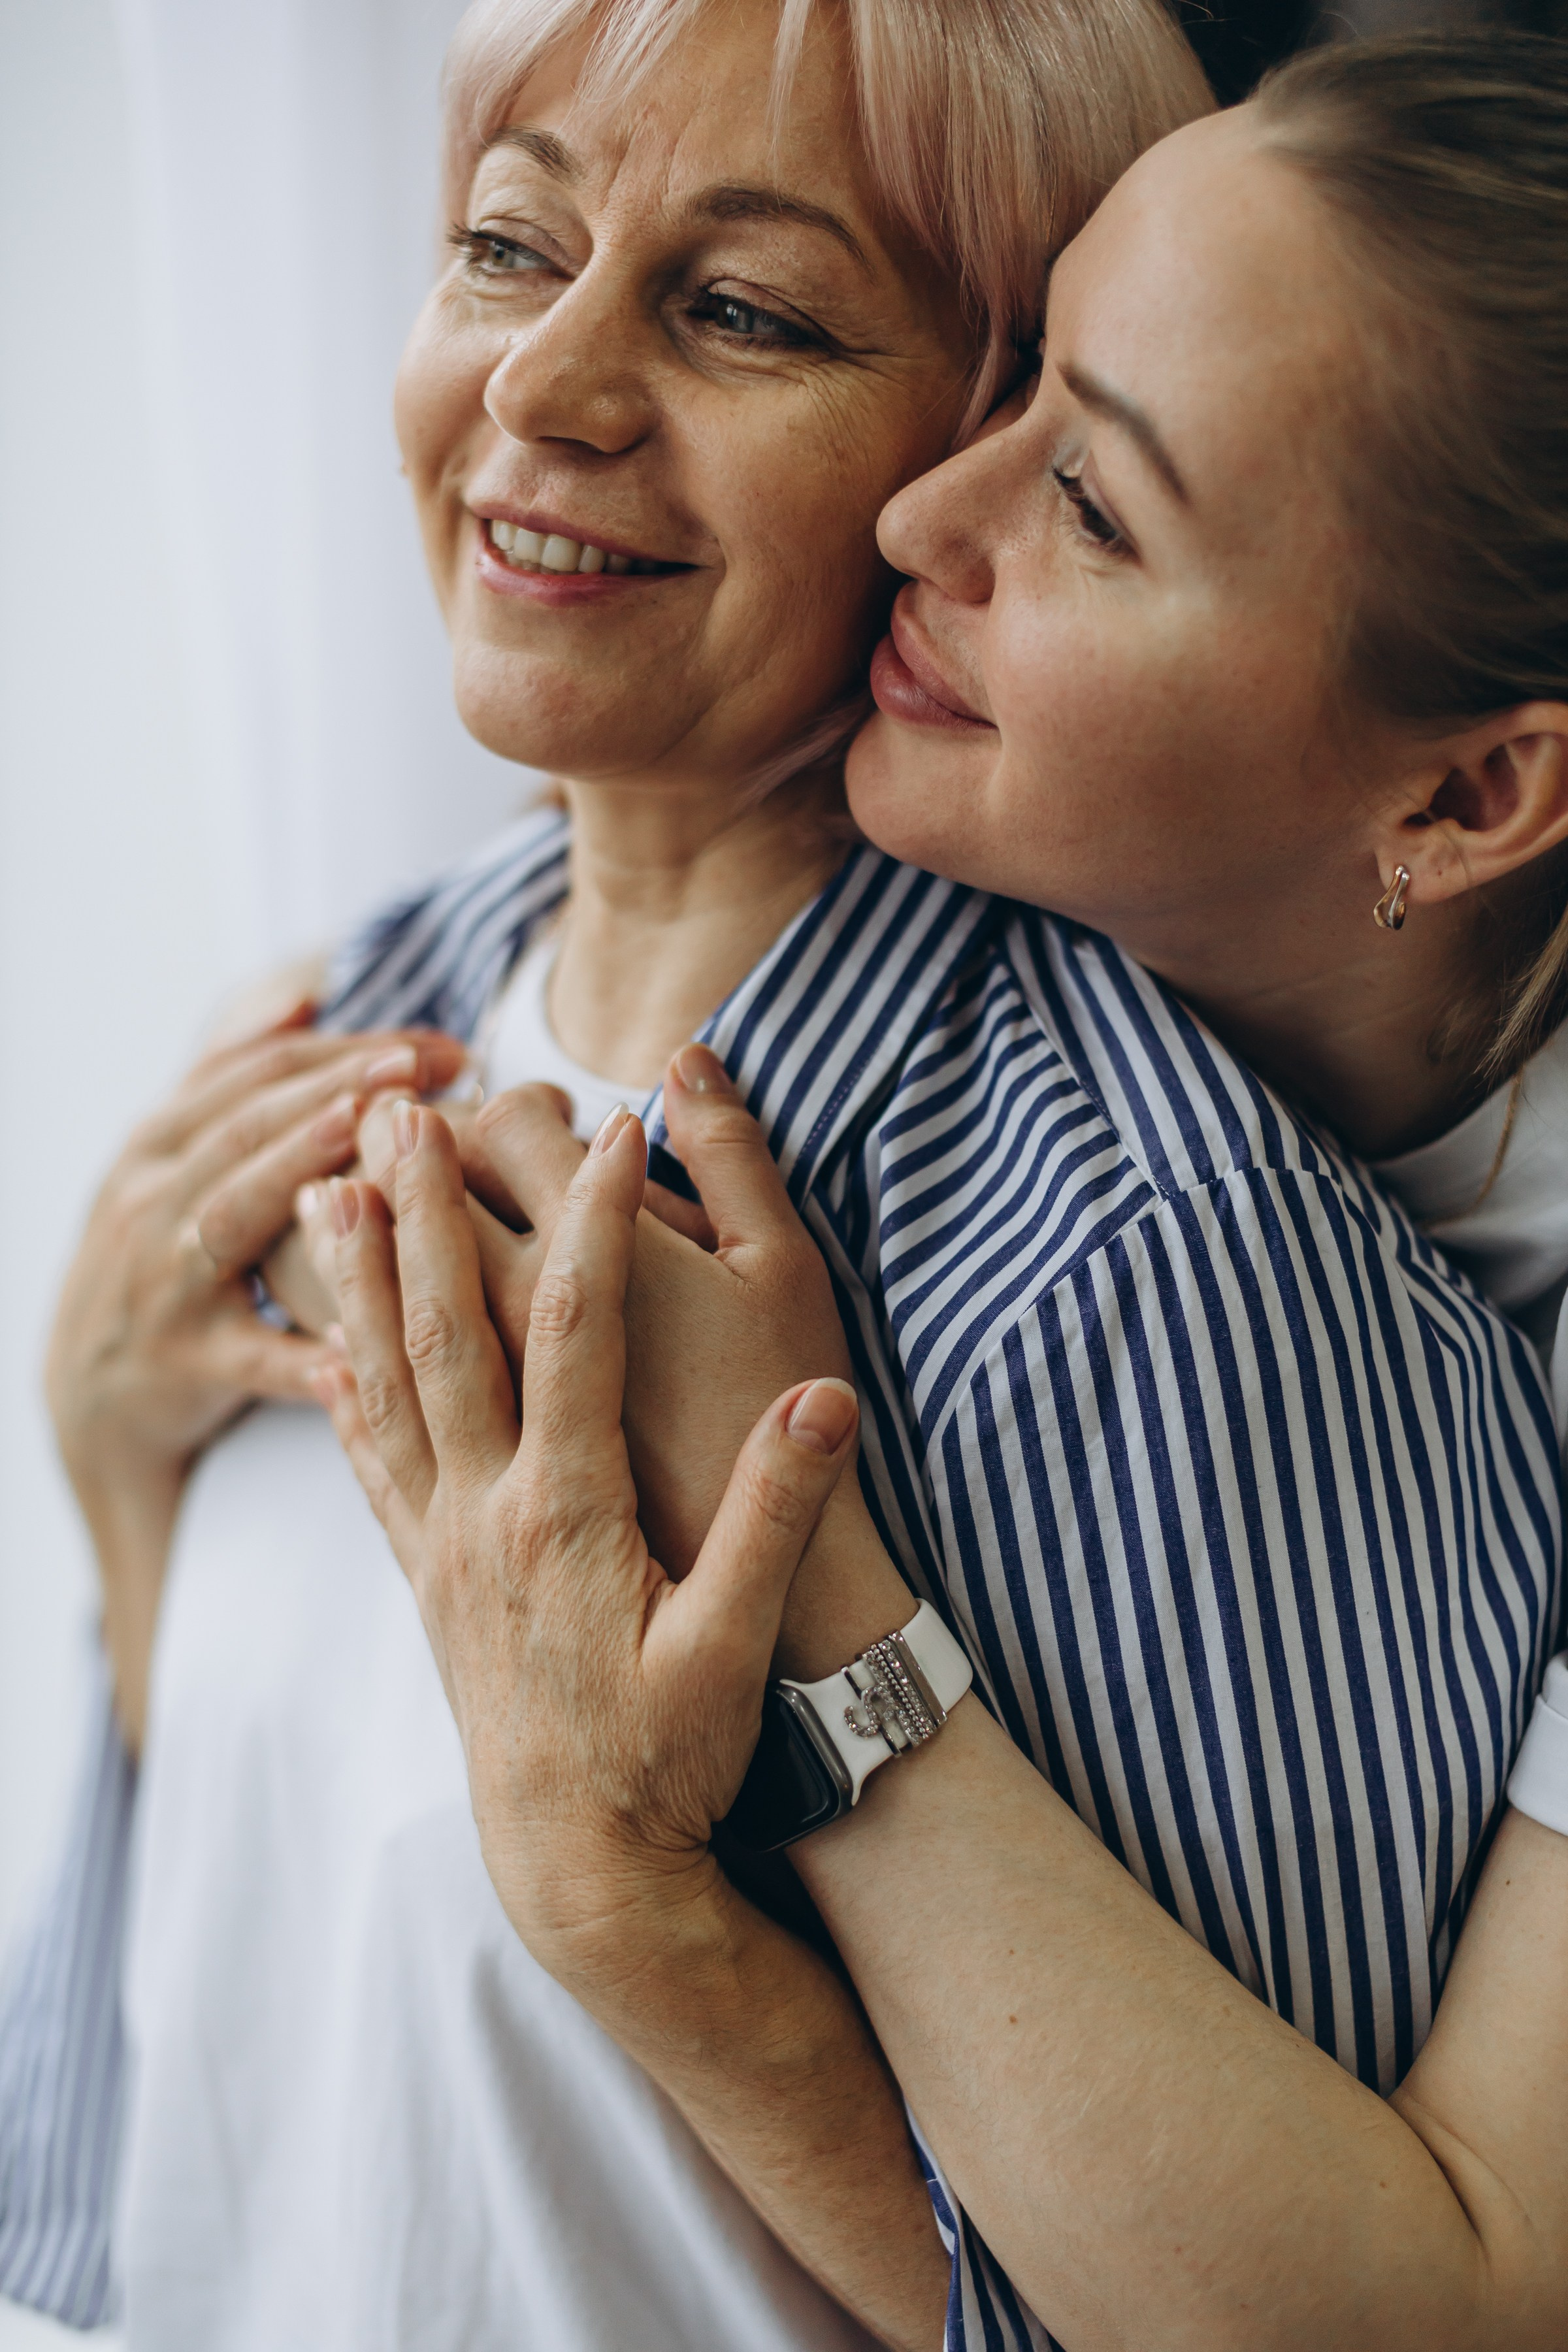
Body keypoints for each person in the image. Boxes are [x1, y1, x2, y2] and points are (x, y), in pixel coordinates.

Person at [317, 31, 1568, 2352]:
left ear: (1470, 796)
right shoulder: (391, 1002)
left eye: (1091, 498)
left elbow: (1445, 2303)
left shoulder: (1188, 1286)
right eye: (501, 240)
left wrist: (695, 1779)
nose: (927, 516)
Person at [0, 0, 1209, 2344]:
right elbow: (200, 2050)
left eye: (743, 308)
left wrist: (639, 1901)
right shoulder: (336, 1022)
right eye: (503, 246)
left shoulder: (1126, 1258)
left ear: (1004, 452)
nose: (537, 386)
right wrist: (117, 1490)